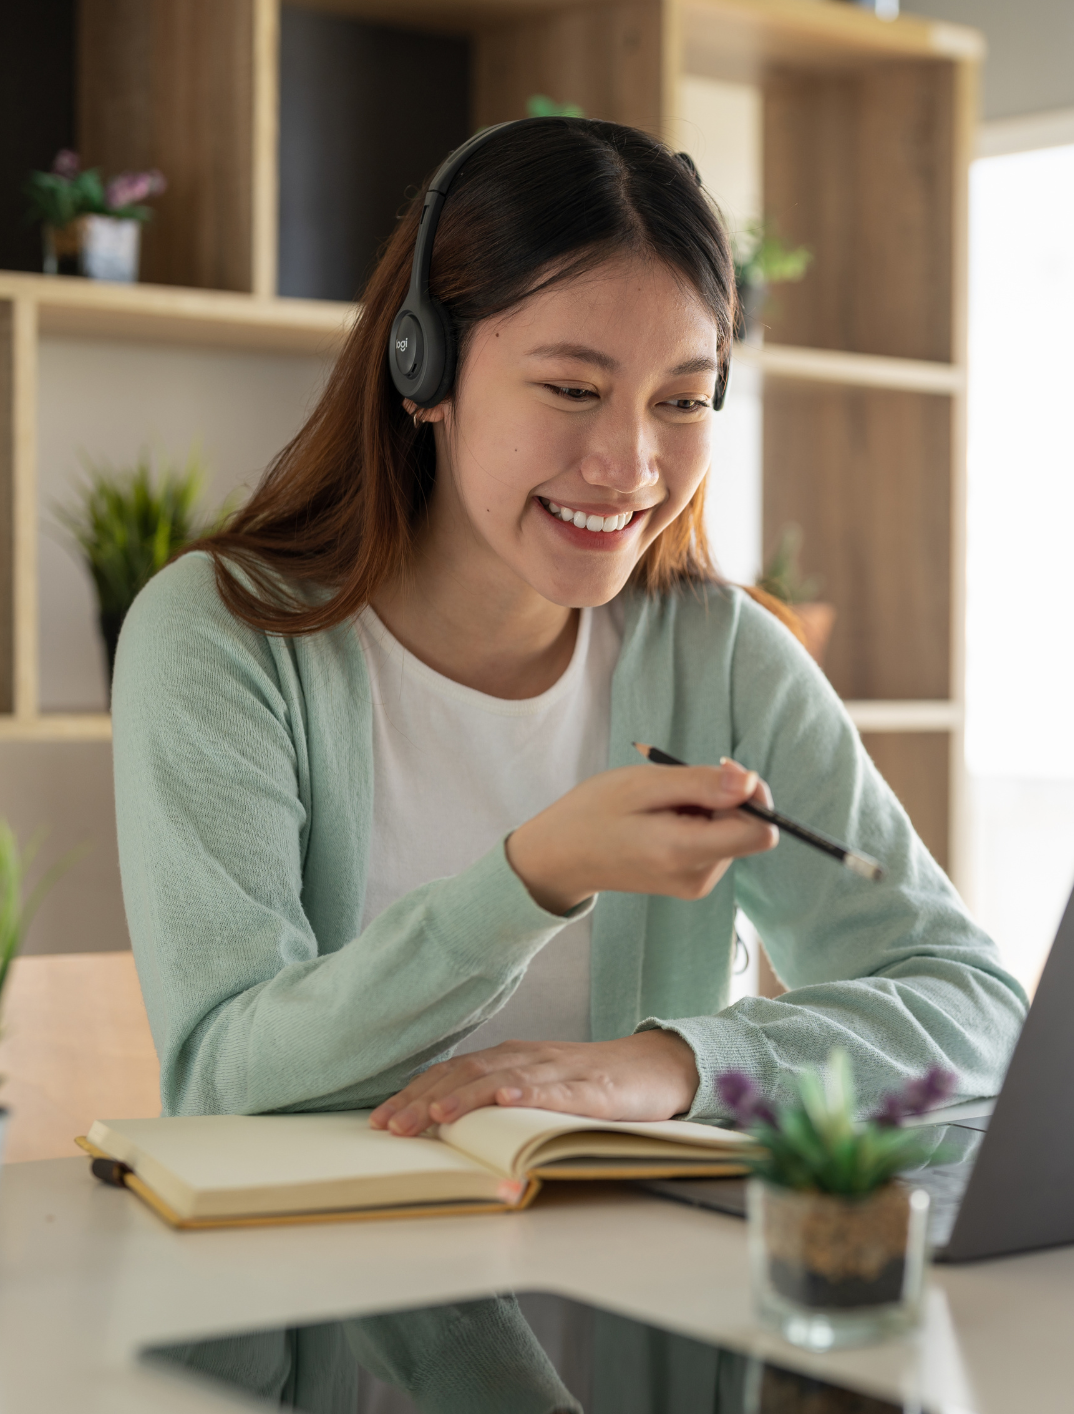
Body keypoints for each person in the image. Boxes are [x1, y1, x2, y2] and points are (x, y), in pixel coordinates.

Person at [111, 116, 1025, 1135]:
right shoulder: (221, 638)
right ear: (424, 371)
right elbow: (222, 1078)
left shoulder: (719, 656)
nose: (629, 464)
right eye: (572, 389)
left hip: (634, 1281)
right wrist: (534, 876)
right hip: (328, 1281)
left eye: (681, 402)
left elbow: (977, 1009)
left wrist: (680, 1063)